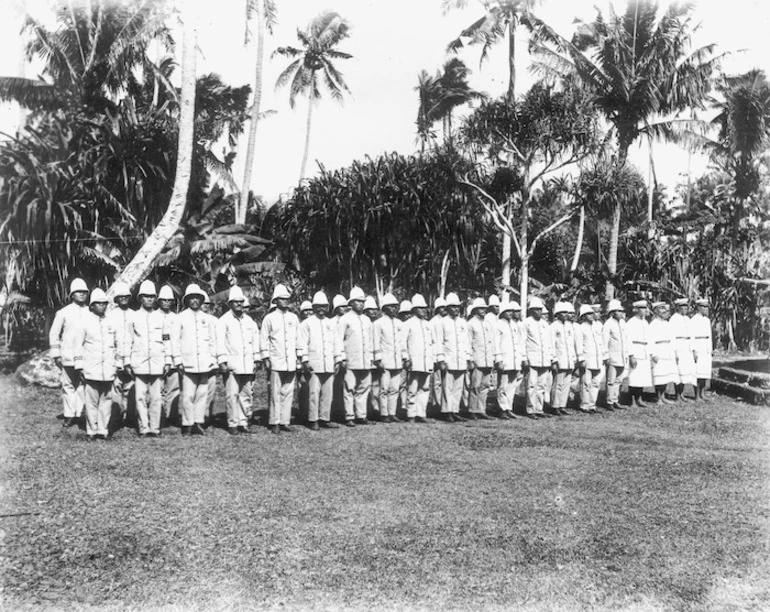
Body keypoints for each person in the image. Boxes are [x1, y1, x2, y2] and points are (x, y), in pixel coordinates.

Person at [171, 283, 217, 436]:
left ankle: (198, 422)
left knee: (202, 393)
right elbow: (175, 341)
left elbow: (212, 341)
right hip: (187, 362)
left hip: (204, 362)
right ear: (187, 300)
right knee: (188, 394)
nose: (195, 301)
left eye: (198, 298)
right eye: (192, 298)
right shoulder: (180, 318)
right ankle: (187, 423)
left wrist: (212, 359)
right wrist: (177, 360)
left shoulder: (207, 319)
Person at [73, 289, 119, 440]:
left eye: (104, 303)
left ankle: (103, 429)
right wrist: (80, 366)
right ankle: (91, 430)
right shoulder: (84, 322)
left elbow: (118, 344)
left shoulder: (112, 322)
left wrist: (117, 364)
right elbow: (78, 345)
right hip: (91, 367)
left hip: (108, 367)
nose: (101, 306)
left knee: (106, 400)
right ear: (92, 305)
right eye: (98, 303)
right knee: (91, 401)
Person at [126, 280, 168, 437]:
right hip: (139, 362)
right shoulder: (133, 317)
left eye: (152, 296)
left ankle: (155, 428)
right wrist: (126, 362)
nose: (150, 299)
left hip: (157, 362)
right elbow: (127, 340)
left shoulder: (160, 318)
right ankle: (144, 427)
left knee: (157, 397)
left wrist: (168, 360)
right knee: (140, 397)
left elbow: (167, 340)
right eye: (146, 296)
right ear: (140, 298)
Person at [217, 286, 260, 435]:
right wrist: (222, 361)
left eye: (241, 302)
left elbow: (255, 341)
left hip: (247, 364)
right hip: (232, 364)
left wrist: (256, 359)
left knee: (246, 394)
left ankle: (243, 421)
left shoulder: (250, 322)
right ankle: (232, 423)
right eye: (235, 302)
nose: (239, 304)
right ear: (230, 304)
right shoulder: (223, 321)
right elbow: (220, 342)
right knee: (232, 395)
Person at [49, 277, 89, 427]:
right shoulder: (63, 312)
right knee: (68, 385)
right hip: (68, 354)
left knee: (82, 385)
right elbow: (54, 334)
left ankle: (79, 413)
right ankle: (69, 414)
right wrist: (56, 354)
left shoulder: (90, 312)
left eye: (84, 292)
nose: (82, 294)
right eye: (78, 292)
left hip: (86, 355)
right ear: (72, 294)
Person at [261, 283, 300, 434]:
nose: (285, 301)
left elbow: (298, 339)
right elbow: (264, 339)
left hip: (291, 359)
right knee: (275, 391)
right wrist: (265, 357)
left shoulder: (294, 318)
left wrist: (299, 357)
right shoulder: (269, 318)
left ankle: (285, 421)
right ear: (275, 301)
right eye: (281, 299)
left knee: (288, 390)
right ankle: (274, 421)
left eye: (287, 299)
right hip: (276, 359)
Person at [297, 291, 340, 430]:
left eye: (324, 306)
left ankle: (324, 418)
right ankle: (313, 419)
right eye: (318, 306)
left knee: (328, 392)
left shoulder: (331, 323)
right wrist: (304, 361)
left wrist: (338, 359)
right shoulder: (306, 324)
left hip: (328, 363)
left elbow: (336, 342)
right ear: (314, 307)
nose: (321, 309)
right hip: (314, 363)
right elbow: (302, 344)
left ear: (328, 307)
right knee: (314, 392)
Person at [335, 286, 375, 426]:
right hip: (351, 359)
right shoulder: (345, 319)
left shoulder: (366, 320)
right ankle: (349, 416)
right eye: (357, 301)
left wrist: (372, 357)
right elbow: (338, 339)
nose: (361, 304)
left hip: (365, 359)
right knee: (349, 387)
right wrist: (341, 358)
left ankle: (361, 415)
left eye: (362, 302)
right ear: (351, 303)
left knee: (364, 387)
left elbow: (370, 340)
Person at [401, 294, 435, 423]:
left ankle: (421, 413)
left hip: (427, 360)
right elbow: (402, 343)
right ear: (414, 310)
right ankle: (411, 414)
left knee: (425, 387)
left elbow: (433, 343)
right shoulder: (408, 324)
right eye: (420, 308)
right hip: (414, 360)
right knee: (413, 387)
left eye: (424, 308)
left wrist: (434, 359)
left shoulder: (428, 324)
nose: (423, 310)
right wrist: (406, 358)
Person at [437, 292, 470, 422]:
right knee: (447, 387)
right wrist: (441, 360)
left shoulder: (462, 322)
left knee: (458, 387)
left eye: (457, 307)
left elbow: (466, 342)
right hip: (448, 358)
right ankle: (446, 411)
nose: (456, 309)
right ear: (447, 308)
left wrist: (468, 358)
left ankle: (455, 410)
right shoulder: (442, 322)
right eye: (453, 307)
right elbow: (439, 342)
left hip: (460, 358)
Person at [373, 293, 403, 423]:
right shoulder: (378, 323)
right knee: (384, 388)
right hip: (385, 360)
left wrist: (405, 358)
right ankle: (384, 413)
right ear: (384, 308)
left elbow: (402, 343)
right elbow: (375, 342)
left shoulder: (399, 323)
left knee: (395, 388)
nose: (394, 309)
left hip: (397, 360)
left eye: (396, 306)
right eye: (391, 306)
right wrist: (378, 359)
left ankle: (392, 413)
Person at [108, 281, 134, 426]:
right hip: (115, 357)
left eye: (126, 296)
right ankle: (117, 416)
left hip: (131, 357)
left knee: (130, 387)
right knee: (116, 386)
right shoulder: (110, 316)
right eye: (120, 297)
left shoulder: (134, 315)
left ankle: (130, 416)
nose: (123, 299)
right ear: (116, 299)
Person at [493, 300, 525, 419]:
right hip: (504, 359)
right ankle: (502, 408)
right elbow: (496, 344)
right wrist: (498, 359)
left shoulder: (514, 325)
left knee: (512, 385)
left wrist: (520, 358)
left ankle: (508, 408)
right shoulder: (498, 325)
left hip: (514, 359)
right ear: (502, 312)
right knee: (502, 385)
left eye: (511, 311)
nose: (510, 313)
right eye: (507, 311)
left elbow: (518, 343)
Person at [523, 296, 553, 419]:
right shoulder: (526, 323)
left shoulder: (545, 324)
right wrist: (524, 358)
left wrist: (551, 357)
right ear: (531, 310)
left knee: (541, 385)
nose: (539, 312)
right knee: (531, 385)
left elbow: (549, 342)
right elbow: (523, 341)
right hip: (532, 358)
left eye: (540, 309)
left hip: (544, 358)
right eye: (536, 309)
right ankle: (530, 409)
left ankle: (539, 409)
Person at [575, 304, 606, 413]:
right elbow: (579, 344)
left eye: (592, 313)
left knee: (595, 382)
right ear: (583, 316)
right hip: (587, 358)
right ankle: (585, 404)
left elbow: (601, 343)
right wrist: (581, 358)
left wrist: (604, 356)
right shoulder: (581, 328)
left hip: (597, 358)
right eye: (588, 314)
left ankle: (592, 404)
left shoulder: (598, 326)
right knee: (586, 383)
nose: (591, 316)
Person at [467, 297, 494, 419]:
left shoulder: (488, 323)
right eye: (481, 308)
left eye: (485, 308)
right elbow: (468, 343)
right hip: (477, 358)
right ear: (475, 310)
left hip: (487, 359)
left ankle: (481, 409)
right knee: (475, 385)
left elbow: (492, 342)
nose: (483, 310)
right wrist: (470, 359)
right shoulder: (471, 324)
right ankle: (472, 410)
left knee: (485, 385)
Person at [157, 285, 180, 425]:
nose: (166, 302)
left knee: (173, 388)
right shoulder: (153, 316)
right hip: (158, 358)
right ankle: (159, 416)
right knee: (158, 389)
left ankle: (171, 415)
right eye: (163, 300)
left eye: (169, 300)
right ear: (159, 301)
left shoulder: (176, 318)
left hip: (174, 359)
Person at [550, 302, 576, 416]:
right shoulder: (554, 327)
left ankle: (562, 405)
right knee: (558, 384)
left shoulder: (569, 326)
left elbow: (571, 345)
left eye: (566, 312)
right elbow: (552, 344)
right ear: (558, 314)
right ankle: (554, 406)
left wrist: (574, 358)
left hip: (569, 359)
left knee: (566, 384)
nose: (565, 315)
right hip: (559, 359)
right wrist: (554, 360)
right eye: (563, 313)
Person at [626, 300, 653, 407]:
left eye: (645, 308)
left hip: (644, 351)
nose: (644, 311)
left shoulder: (645, 322)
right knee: (634, 376)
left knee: (642, 376)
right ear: (636, 310)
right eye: (642, 308)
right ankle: (632, 399)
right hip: (636, 350)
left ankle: (639, 398)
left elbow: (649, 338)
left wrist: (650, 353)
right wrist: (631, 355)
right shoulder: (631, 323)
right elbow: (628, 340)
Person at [649, 301, 677, 405]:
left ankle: (663, 396)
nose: (664, 311)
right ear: (656, 311)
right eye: (661, 309)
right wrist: (653, 354)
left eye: (664, 309)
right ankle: (658, 397)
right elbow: (650, 340)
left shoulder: (667, 323)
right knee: (659, 375)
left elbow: (672, 338)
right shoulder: (653, 324)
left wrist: (674, 352)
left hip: (667, 350)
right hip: (659, 350)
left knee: (666, 376)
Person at [603, 299, 629, 410]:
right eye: (618, 311)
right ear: (612, 312)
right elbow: (604, 341)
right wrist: (606, 356)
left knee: (619, 379)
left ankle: (615, 399)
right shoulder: (608, 324)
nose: (620, 313)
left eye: (621, 311)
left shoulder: (623, 323)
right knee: (611, 380)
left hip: (622, 356)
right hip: (612, 356)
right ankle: (609, 401)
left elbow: (626, 339)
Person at [670, 298, 697, 402]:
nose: (685, 308)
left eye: (686, 306)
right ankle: (677, 394)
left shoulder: (688, 319)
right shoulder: (674, 319)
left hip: (687, 347)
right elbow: (672, 337)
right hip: (679, 346)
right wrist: (675, 351)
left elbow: (692, 336)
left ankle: (682, 394)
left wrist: (693, 349)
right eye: (683, 306)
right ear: (678, 307)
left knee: (686, 371)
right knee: (679, 371)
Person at [201, 293, 219, 424]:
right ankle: (197, 417)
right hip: (196, 362)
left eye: (207, 304)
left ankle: (207, 415)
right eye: (203, 303)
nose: (205, 306)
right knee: (197, 391)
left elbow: (217, 341)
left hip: (211, 361)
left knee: (210, 390)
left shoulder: (214, 321)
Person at [690, 298, 713, 401]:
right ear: (698, 307)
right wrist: (694, 350)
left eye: (706, 306)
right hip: (698, 346)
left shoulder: (707, 320)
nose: (705, 309)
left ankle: (703, 393)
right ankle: (697, 394)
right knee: (698, 372)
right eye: (703, 306)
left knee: (705, 372)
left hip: (706, 347)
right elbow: (692, 336)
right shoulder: (694, 320)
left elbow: (709, 336)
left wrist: (710, 349)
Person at [429, 296, 447, 411]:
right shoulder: (433, 322)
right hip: (436, 354)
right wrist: (436, 357)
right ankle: (436, 403)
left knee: (446, 381)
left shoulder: (446, 321)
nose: (444, 309)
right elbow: (433, 341)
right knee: (437, 381)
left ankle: (443, 402)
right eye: (442, 308)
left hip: (446, 355)